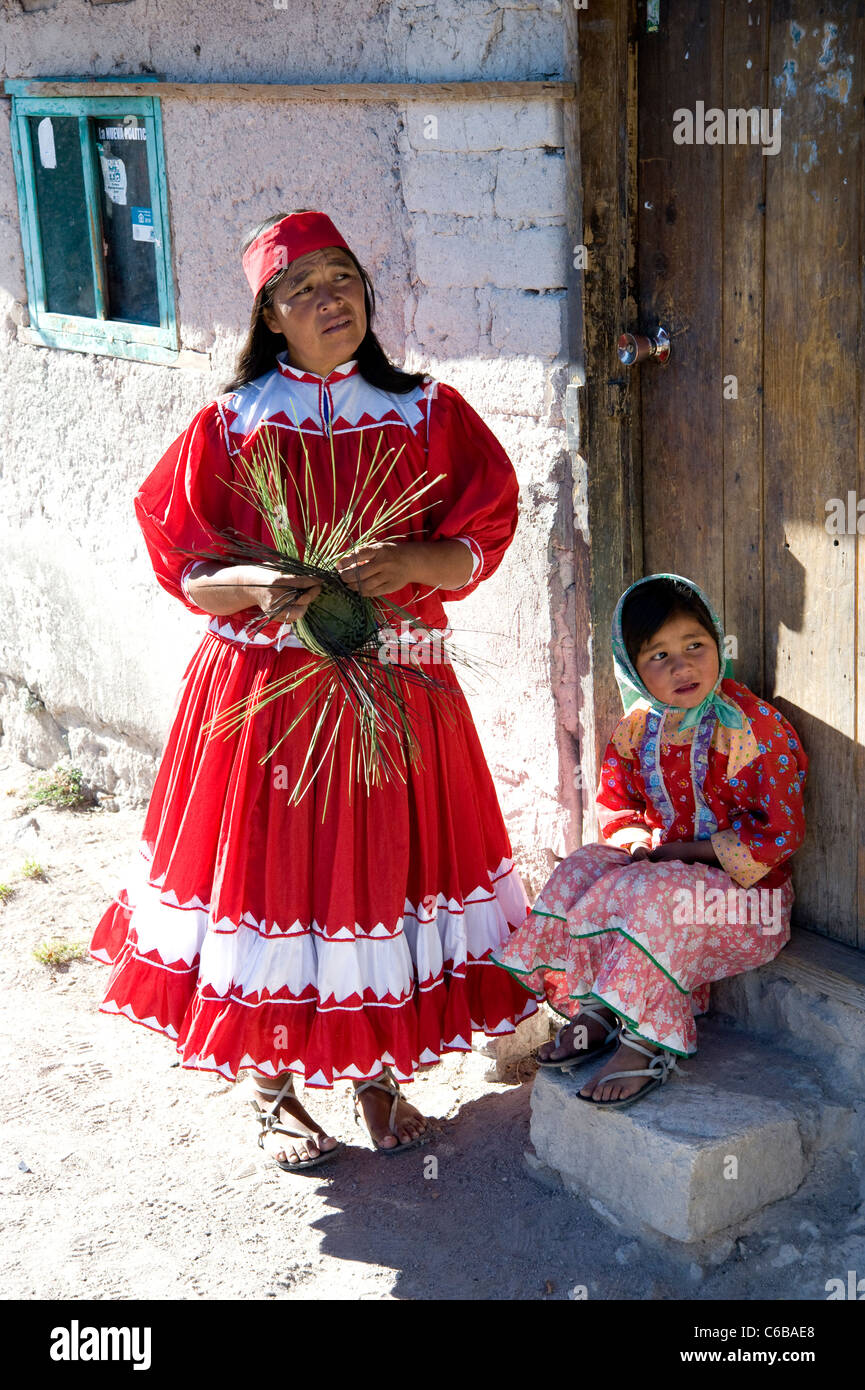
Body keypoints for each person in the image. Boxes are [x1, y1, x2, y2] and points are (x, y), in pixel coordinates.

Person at [90, 208, 537, 1167]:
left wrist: (418, 555)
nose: (331, 299)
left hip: (398, 676)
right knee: (276, 872)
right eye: (304, 288)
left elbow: (481, 537)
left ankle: (378, 1073)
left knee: (382, 867)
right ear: (270, 314)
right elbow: (185, 564)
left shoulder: (427, 412)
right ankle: (274, 1085)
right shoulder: (232, 423)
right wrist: (255, 585)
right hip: (266, 694)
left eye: (343, 278)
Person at [491, 573, 808, 1108]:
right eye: (658, 656)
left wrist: (681, 854)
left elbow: (779, 834)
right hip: (664, 875)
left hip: (750, 904)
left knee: (656, 895)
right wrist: (638, 845)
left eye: (694, 645)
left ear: (717, 643)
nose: (682, 666)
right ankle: (597, 1009)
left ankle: (648, 1042)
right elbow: (619, 804)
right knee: (584, 865)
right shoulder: (640, 726)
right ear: (632, 668)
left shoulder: (754, 729)